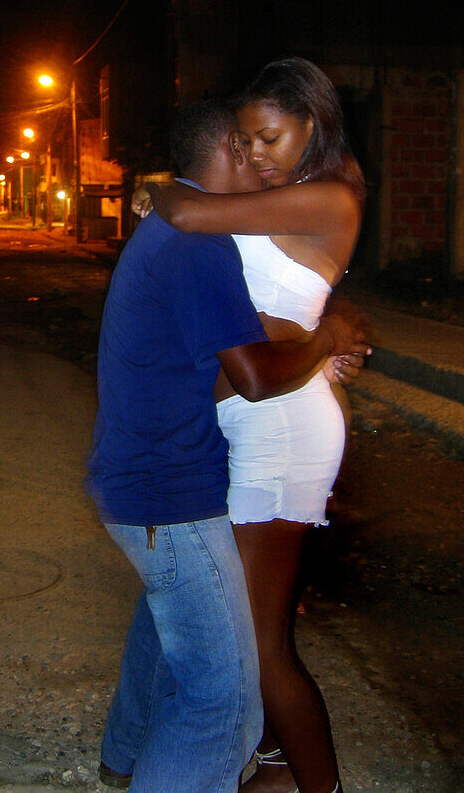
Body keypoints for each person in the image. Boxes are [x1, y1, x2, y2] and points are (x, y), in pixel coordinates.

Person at [88, 96, 369, 793]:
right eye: (246, 143)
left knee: (239, 637)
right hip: (207, 446)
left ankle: (299, 780)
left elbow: (270, 323)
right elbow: (249, 357)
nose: (260, 156)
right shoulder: (205, 229)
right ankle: (226, 763)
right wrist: (326, 335)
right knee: (214, 657)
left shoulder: (297, 201)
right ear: (227, 153)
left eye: (268, 138)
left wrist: (325, 329)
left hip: (265, 434)